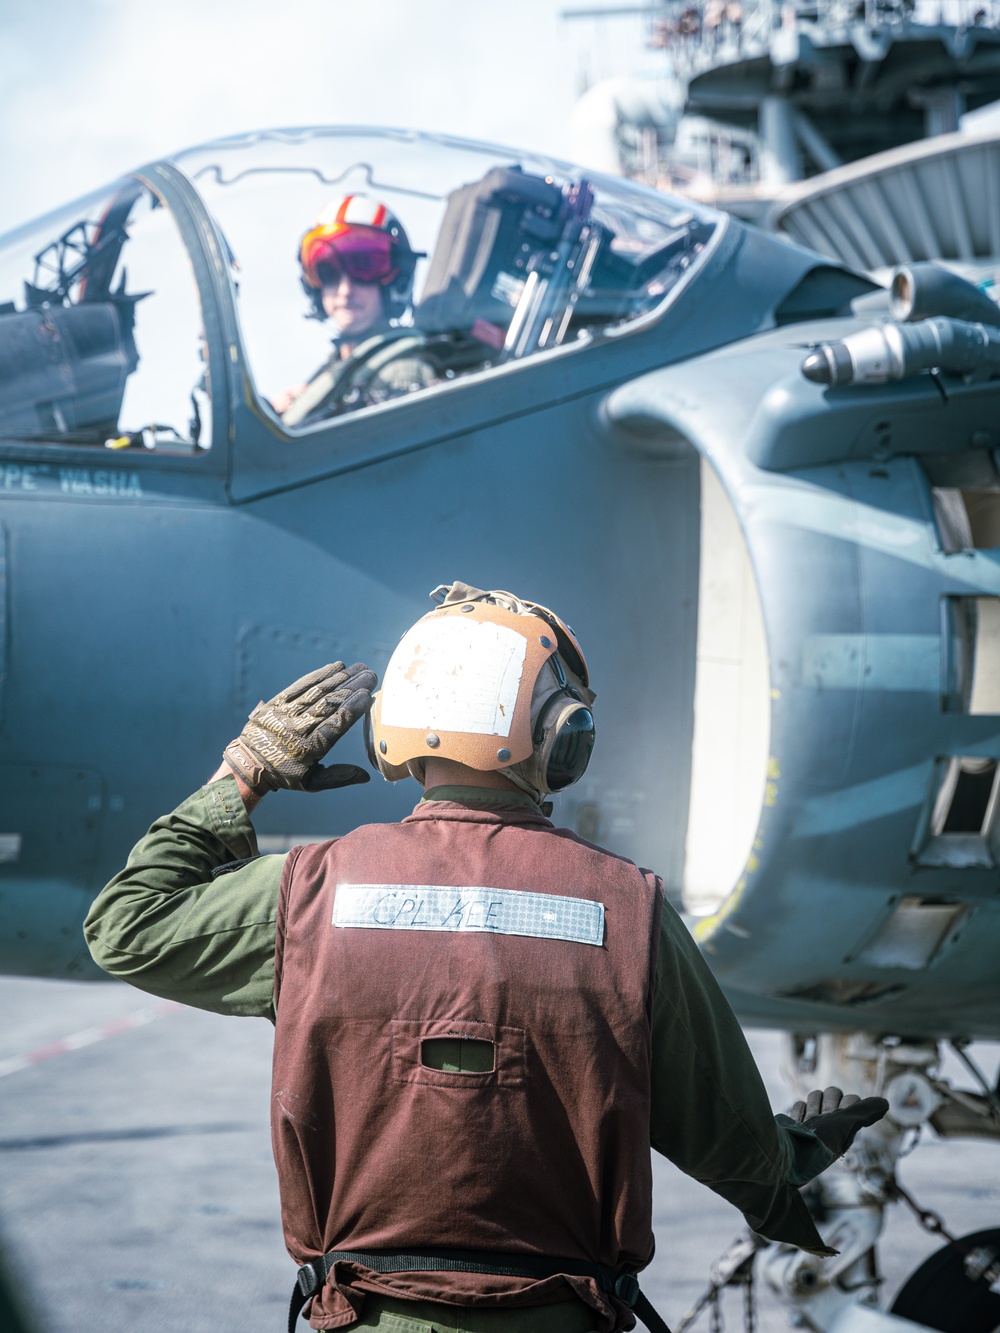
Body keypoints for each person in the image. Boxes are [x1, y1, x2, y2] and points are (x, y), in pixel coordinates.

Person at [84, 581, 888, 1333]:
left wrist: (244, 773)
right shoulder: (628, 909)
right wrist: (799, 1150)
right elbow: (742, 1154)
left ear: (395, 727)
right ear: (562, 738)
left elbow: (125, 925)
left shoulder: (309, 892)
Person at [274, 195, 437, 427]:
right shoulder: (338, 370)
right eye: (328, 273)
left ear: (396, 281)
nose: (345, 291)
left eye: (363, 270)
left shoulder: (400, 373)